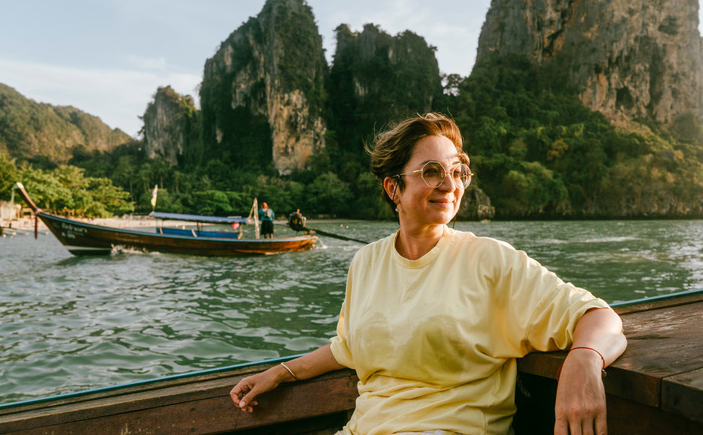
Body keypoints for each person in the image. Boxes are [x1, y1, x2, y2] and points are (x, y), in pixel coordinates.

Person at [230, 113, 627, 434]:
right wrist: (280, 373)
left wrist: (585, 359)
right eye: (432, 171)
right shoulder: (367, 262)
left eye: (457, 172)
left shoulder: (488, 260)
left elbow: (597, 316)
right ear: (393, 188)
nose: (449, 184)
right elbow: (347, 347)